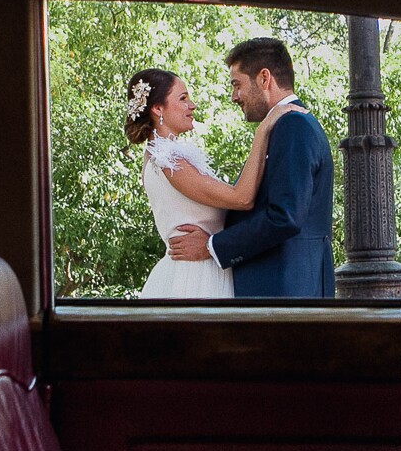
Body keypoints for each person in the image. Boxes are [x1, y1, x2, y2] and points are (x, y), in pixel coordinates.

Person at [168, 38, 336, 298]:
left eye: (237, 85)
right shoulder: (280, 126)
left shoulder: (294, 127)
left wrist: (212, 246)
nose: (234, 97)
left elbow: (285, 217)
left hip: (285, 294)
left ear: (264, 78)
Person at [125, 67, 300, 299]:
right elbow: (242, 198)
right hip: (193, 277)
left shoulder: (161, 156)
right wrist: (263, 131)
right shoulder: (167, 159)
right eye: (183, 98)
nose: (192, 105)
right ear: (158, 109)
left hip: (204, 268)